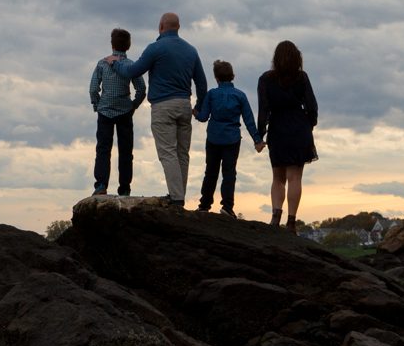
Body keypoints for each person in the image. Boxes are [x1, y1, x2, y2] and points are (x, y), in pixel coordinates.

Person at [109, 12, 208, 206]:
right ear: (178, 27)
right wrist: (198, 106)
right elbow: (202, 84)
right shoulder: (191, 50)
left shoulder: (156, 48)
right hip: (184, 104)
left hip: (163, 106)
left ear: (161, 27)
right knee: (182, 153)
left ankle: (176, 198)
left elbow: (133, 71)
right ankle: (179, 195)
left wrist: (115, 64)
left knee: (167, 152)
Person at [257, 40, 318, 232]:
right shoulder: (302, 77)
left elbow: (263, 110)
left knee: (277, 177)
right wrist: (309, 125)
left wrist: (260, 135)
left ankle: (276, 217)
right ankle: (291, 222)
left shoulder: (266, 79)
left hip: (278, 128)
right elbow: (312, 106)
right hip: (299, 127)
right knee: (295, 177)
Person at [193, 59, 261, 216]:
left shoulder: (211, 94)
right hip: (232, 139)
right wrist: (257, 140)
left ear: (216, 78)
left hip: (213, 138)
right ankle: (227, 207)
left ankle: (204, 204)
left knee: (210, 171)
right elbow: (249, 120)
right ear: (233, 76)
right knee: (229, 173)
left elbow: (203, 117)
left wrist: (195, 113)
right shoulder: (240, 96)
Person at [88, 27, 146, 196]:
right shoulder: (131, 65)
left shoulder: (102, 63)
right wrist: (133, 105)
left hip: (105, 111)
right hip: (125, 111)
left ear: (112, 44)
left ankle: (101, 185)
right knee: (126, 151)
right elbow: (141, 88)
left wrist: (97, 105)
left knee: (103, 149)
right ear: (128, 46)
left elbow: (93, 89)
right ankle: (125, 188)